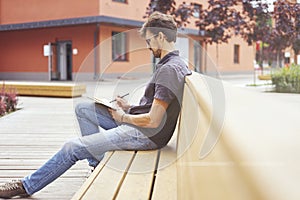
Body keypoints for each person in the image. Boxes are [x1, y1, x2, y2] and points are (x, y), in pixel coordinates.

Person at [0, 11, 191, 198]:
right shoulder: (174, 63)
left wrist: (122, 117)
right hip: (139, 125)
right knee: (83, 109)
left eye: (149, 41)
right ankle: (96, 163)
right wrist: (128, 107)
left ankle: (26, 186)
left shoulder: (169, 69)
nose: (148, 46)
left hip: (145, 135)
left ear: (160, 36)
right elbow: (153, 108)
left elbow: (153, 120)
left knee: (72, 147)